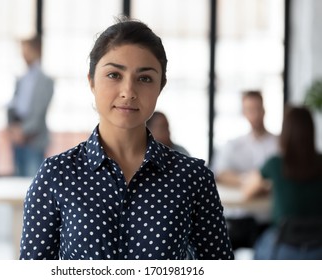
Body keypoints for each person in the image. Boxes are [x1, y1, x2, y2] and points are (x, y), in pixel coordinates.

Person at [19, 18, 234, 260]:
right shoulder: (57, 174)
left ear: (160, 87)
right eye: (114, 75)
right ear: (91, 81)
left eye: (144, 78)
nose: (128, 92)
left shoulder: (193, 178)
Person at [242, 106, 322, 259]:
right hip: (318, 249)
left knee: (258, 245)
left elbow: (247, 191)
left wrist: (269, 188)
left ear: (286, 133)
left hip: (283, 249)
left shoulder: (275, 164)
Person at [210, 90, 279, 250]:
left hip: (268, 218)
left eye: (257, 109)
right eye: (249, 110)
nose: (254, 114)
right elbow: (220, 172)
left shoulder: (278, 143)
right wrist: (250, 180)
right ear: (243, 113)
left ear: (264, 110)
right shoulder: (233, 144)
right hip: (239, 217)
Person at [7, 35, 54, 177]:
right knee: (17, 185)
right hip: (17, 139)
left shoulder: (46, 81)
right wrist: (13, 129)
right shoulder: (21, 79)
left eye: (26, 51)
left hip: (34, 139)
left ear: (37, 51)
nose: (23, 55)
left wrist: (23, 131)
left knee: (32, 185)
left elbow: (40, 113)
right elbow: (13, 105)